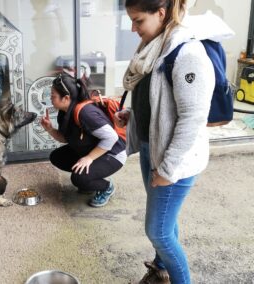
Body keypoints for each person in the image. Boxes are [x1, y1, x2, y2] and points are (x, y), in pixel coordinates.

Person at [115, 0, 231, 283]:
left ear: (161, 13)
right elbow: (162, 103)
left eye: (138, 20)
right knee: (165, 219)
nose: (133, 28)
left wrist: (168, 170)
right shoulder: (153, 48)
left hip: (174, 160)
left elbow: (192, 118)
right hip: (151, 148)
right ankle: (161, 268)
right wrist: (132, 115)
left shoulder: (187, 53)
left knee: (159, 232)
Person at [41, 72, 126, 207]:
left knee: (79, 178)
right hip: (93, 149)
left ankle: (106, 187)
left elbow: (111, 137)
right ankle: (89, 180)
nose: (50, 98)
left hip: (113, 154)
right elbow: (67, 139)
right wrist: (50, 129)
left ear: (66, 98)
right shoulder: (64, 112)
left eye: (53, 96)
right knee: (57, 157)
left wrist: (89, 158)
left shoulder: (86, 113)